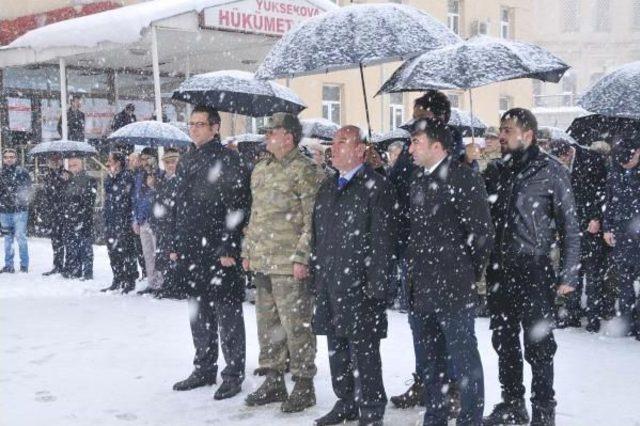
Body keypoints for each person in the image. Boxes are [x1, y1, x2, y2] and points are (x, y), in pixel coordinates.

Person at [483, 108, 580, 426]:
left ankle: (543, 410)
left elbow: (569, 225)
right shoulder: (496, 170)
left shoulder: (551, 170)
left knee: (539, 343)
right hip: (500, 266)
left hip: (534, 266)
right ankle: (512, 402)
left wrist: (568, 272)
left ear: (527, 135)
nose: (501, 135)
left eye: (507, 130)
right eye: (500, 129)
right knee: (503, 339)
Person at [406, 118, 494, 426]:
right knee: (430, 362)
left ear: (437, 146)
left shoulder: (462, 178)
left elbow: (482, 233)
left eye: (417, 142)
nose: (411, 148)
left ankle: (470, 419)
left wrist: (465, 270)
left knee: (464, 359)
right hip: (423, 288)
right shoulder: (418, 178)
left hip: (454, 286)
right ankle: (436, 416)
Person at [311, 125, 397, 426]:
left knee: (364, 352)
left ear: (361, 149)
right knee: (336, 348)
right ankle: (346, 401)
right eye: (332, 142)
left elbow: (383, 241)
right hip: (330, 281)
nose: (334, 147)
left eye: (343, 142)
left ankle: (371, 409)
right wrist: (317, 276)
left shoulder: (376, 186)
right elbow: (317, 237)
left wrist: (376, 286)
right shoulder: (327, 186)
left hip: (361, 285)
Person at [170, 106, 251, 402]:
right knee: (199, 313)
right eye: (191, 124)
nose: (194, 129)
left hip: (219, 250)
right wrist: (176, 243)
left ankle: (233, 373)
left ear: (215, 127)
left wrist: (230, 244)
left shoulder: (230, 159)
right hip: (192, 249)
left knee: (227, 312)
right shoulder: (187, 158)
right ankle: (204, 367)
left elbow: (238, 203)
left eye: (201, 124)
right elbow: (179, 204)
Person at [241, 113, 321, 413]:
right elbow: (256, 215)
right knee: (268, 324)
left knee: (296, 325)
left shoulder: (305, 170)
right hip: (264, 259)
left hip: (290, 263)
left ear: (288, 137)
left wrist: (302, 257)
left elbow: (312, 220)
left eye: (271, 132)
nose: (266, 137)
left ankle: (303, 383)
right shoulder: (261, 169)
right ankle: (273, 379)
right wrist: (249, 251)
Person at [392, 89, 463, 415]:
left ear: (438, 118)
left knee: (447, 330)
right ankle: (425, 382)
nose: (413, 120)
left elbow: (475, 227)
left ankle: (451, 390)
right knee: (420, 326)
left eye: (419, 114)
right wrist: (386, 170)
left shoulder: (454, 153)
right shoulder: (413, 148)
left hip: (444, 258)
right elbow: (397, 190)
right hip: (413, 248)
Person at [547, 138, 608, 332]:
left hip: (591, 224)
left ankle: (593, 316)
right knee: (571, 270)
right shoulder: (554, 166)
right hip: (569, 225)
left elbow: (603, 190)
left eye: (561, 159)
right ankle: (572, 314)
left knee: (593, 273)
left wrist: (597, 217)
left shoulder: (591, 159)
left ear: (568, 153)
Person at [603, 138, 640, 339]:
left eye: (630, 159)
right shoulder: (615, 172)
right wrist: (607, 228)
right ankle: (626, 321)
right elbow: (609, 203)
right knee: (624, 281)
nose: (626, 164)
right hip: (622, 234)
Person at [101, 151, 138, 293]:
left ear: (118, 162)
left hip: (123, 220)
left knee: (127, 251)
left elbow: (124, 195)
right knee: (113, 251)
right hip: (111, 219)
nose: (108, 163)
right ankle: (117, 278)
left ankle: (130, 280)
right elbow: (108, 190)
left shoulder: (127, 176)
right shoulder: (111, 177)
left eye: (111, 160)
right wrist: (111, 177)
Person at [149, 148, 181, 299]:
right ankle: (166, 285)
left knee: (174, 255)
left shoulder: (181, 181)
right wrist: (154, 222)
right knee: (163, 255)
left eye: (173, 162)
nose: (170, 165)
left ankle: (176, 287)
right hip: (162, 225)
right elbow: (156, 203)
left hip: (175, 225)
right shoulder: (160, 181)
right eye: (167, 162)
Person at [61, 158, 96, 280]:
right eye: (70, 165)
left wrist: (78, 202)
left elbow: (89, 200)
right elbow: (65, 198)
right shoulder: (69, 180)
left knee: (85, 246)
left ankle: (87, 271)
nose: (72, 168)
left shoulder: (89, 179)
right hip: (71, 218)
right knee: (73, 246)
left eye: (75, 165)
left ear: (82, 165)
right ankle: (75, 270)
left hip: (84, 218)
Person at [0, 148, 31, 273]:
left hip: (20, 211)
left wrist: (19, 198)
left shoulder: (22, 172)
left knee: (20, 237)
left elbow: (28, 189)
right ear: (3, 159)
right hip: (4, 211)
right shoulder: (0, 173)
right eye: (6, 157)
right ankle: (9, 265)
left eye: (11, 156)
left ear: (16, 158)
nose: (9, 159)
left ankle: (24, 265)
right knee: (7, 239)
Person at [41, 154, 68, 276]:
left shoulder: (67, 174)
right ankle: (57, 265)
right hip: (53, 212)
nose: (55, 162)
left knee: (67, 240)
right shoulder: (48, 176)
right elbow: (46, 195)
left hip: (66, 212)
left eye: (58, 160)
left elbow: (67, 192)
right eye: (52, 160)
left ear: (62, 161)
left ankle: (68, 266)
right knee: (55, 241)